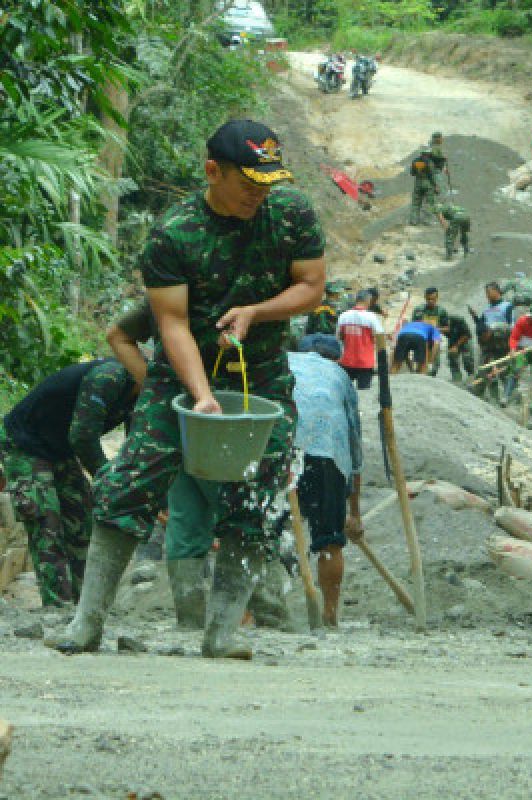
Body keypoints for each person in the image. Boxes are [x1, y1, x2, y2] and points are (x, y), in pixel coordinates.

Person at [46, 119, 325, 659]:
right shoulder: (174, 233)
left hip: (260, 373)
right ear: (212, 171)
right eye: (248, 182)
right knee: (129, 486)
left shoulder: (291, 214)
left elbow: (311, 287)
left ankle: (222, 636)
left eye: (267, 182)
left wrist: (255, 312)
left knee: (256, 494)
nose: (258, 194)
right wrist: (200, 393)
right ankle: (86, 624)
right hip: (180, 373)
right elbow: (170, 323)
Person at [106, 303, 293, 631]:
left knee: (186, 517)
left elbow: (117, 335)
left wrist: (159, 389)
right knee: (246, 514)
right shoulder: (238, 298)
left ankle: (190, 620)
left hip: (182, 419)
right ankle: (269, 616)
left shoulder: (168, 298)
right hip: (229, 425)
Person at [0, 360, 138, 607]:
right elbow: (83, 436)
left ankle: (84, 606)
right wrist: (108, 480)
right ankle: (58, 608)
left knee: (82, 519)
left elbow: (136, 447)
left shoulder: (143, 395)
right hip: (24, 444)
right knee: (46, 523)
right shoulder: (110, 377)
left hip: (60, 448)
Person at [291, 334, 364, 627]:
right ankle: (329, 615)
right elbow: (354, 446)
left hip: (281, 446)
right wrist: (354, 513)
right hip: (327, 456)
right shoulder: (340, 376)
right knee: (330, 542)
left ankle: (250, 616)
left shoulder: (285, 363)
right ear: (336, 358)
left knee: (264, 531)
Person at [471, 282, 515, 406]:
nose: (487, 295)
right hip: (488, 344)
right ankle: (482, 397)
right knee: (485, 370)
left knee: (504, 371)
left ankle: (509, 398)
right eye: (486, 293)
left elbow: (512, 325)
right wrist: (475, 317)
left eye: (488, 292)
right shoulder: (486, 309)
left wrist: (511, 343)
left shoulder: (507, 306)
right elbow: (481, 327)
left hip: (502, 343)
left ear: (497, 291)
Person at [337, 289, 384, 389]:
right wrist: (382, 361)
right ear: (368, 300)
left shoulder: (343, 316)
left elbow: (339, 337)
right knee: (364, 392)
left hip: (346, 361)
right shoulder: (371, 317)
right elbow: (380, 338)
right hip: (365, 363)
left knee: (345, 391)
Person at [408, 149, 438, 225]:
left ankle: (414, 220)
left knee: (416, 203)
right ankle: (427, 221)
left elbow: (412, 173)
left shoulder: (415, 161)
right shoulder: (429, 162)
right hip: (427, 184)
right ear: (428, 154)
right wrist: (436, 186)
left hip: (418, 184)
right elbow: (432, 176)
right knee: (429, 203)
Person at [444, 313, 476, 383]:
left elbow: (466, 335)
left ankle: (472, 375)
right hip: (453, 339)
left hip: (465, 339)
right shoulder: (440, 323)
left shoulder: (459, 320)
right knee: (451, 356)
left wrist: (456, 346)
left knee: (467, 359)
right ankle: (456, 377)